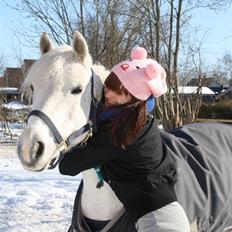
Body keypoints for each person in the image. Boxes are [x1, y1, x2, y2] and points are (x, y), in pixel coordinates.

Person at [59, 47, 190, 232]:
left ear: (135, 99)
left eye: (119, 92)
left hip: (157, 215)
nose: (109, 93)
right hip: (141, 202)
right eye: (109, 85)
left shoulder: (124, 130)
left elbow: (68, 166)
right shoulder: (131, 115)